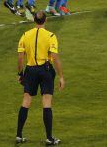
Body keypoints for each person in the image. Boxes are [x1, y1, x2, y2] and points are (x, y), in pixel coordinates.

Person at [16, 11, 64, 145]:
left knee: (26, 101)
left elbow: (20, 57)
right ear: (45, 20)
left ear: (34, 21)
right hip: (45, 70)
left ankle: (19, 135)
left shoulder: (25, 35)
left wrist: (20, 74)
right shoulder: (51, 36)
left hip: (30, 70)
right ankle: (49, 138)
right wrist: (61, 76)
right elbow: (54, 58)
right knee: (47, 102)